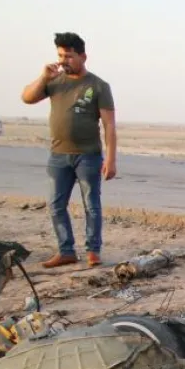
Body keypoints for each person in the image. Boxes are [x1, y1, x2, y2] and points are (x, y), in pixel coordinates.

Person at [20, 32, 116, 268]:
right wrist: (44, 77)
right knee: (56, 205)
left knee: (91, 204)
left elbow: (109, 125)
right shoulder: (54, 81)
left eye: (69, 56)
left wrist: (111, 159)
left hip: (88, 156)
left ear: (83, 57)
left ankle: (93, 251)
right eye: (61, 55)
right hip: (58, 155)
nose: (64, 61)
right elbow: (27, 98)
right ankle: (66, 251)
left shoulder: (98, 85)